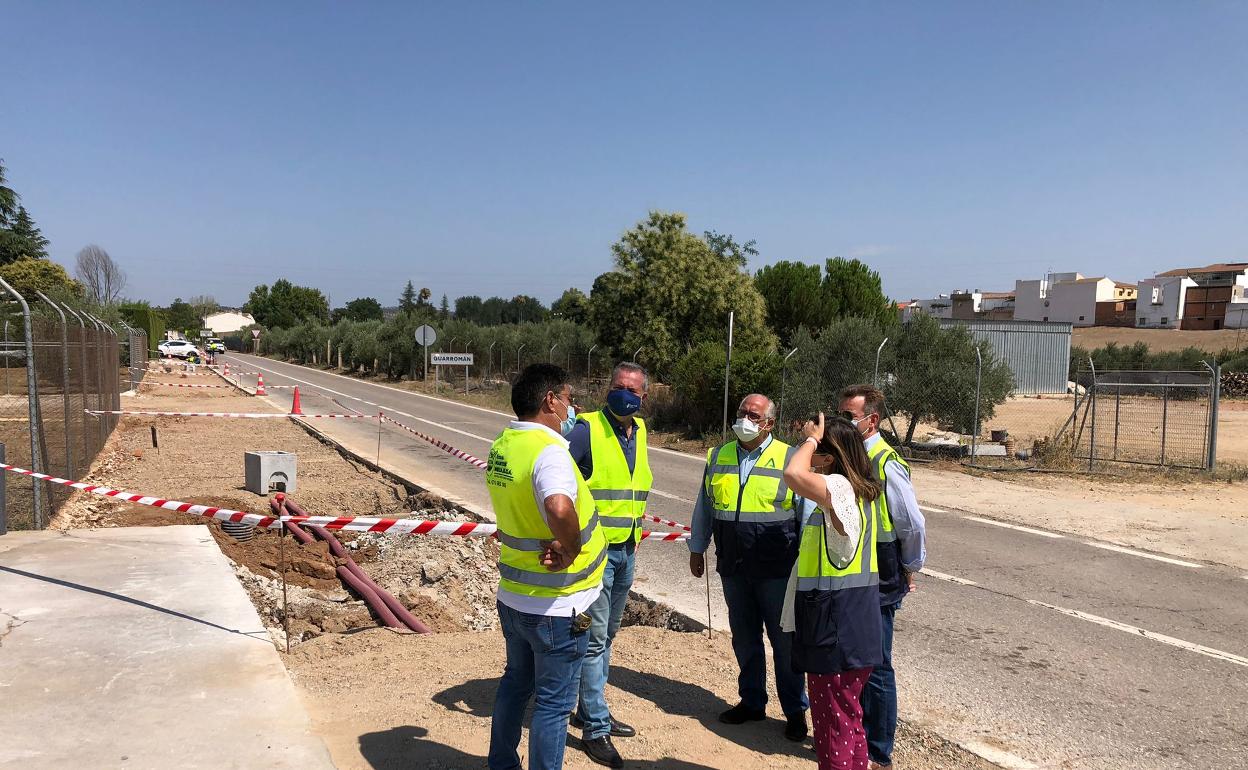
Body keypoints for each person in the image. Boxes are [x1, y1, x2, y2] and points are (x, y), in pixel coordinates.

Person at [485, 363, 608, 770]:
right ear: (549, 400)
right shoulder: (550, 451)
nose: (572, 408)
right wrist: (571, 548)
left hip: (515, 597)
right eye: (569, 398)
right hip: (557, 606)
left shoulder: (504, 445)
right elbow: (558, 505)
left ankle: (502, 764)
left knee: (515, 685)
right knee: (554, 706)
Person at [689, 394, 813, 742]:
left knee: (784, 643)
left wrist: (806, 569)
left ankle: (795, 711)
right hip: (733, 566)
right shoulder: (718, 455)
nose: (744, 418)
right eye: (742, 412)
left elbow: (805, 516)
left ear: (769, 423)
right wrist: (697, 548)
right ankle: (752, 701)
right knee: (744, 638)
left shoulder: (790, 459)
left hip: (778, 569)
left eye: (753, 415)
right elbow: (705, 507)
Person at [781, 412, 884, 770]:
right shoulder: (860, 491)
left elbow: (792, 474)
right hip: (855, 625)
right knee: (849, 721)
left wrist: (810, 438)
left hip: (834, 629)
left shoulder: (839, 487)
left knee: (832, 731)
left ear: (828, 456)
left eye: (815, 450)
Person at [565, 362, 653, 768]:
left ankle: (588, 706)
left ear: (643, 397)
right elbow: (559, 482)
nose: (624, 394)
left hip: (626, 552)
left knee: (609, 635)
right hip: (594, 554)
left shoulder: (642, 433)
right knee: (594, 640)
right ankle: (596, 728)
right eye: (618, 387)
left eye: (632, 390)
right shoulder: (586, 429)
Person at [838, 385, 927, 770]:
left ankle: (878, 749)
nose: (842, 422)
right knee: (852, 659)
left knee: (877, 664)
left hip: (880, 573)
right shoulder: (847, 456)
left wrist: (910, 566)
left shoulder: (885, 463)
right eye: (840, 414)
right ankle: (856, 737)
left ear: (871, 420)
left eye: (849, 416)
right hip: (850, 572)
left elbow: (911, 523)